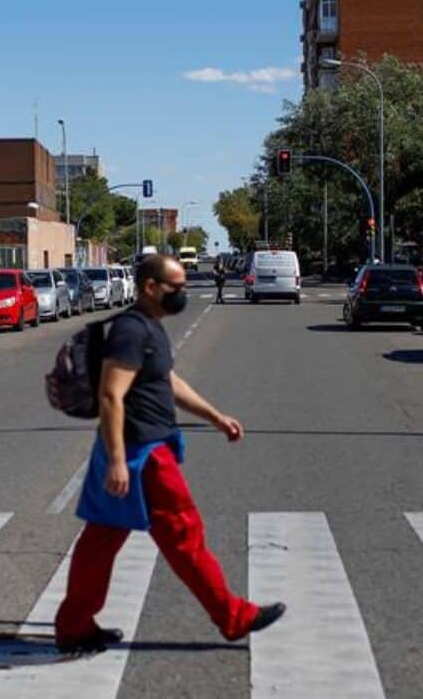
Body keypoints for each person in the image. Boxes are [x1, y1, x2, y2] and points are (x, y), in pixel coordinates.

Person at [55, 255, 285, 653]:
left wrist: (214, 416)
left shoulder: (150, 328)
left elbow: (167, 381)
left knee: (101, 541)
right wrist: (116, 460)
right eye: (175, 287)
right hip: (142, 454)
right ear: (150, 287)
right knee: (183, 533)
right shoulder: (131, 331)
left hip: (143, 448)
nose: (182, 292)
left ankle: (74, 626)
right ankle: (233, 617)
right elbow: (112, 395)